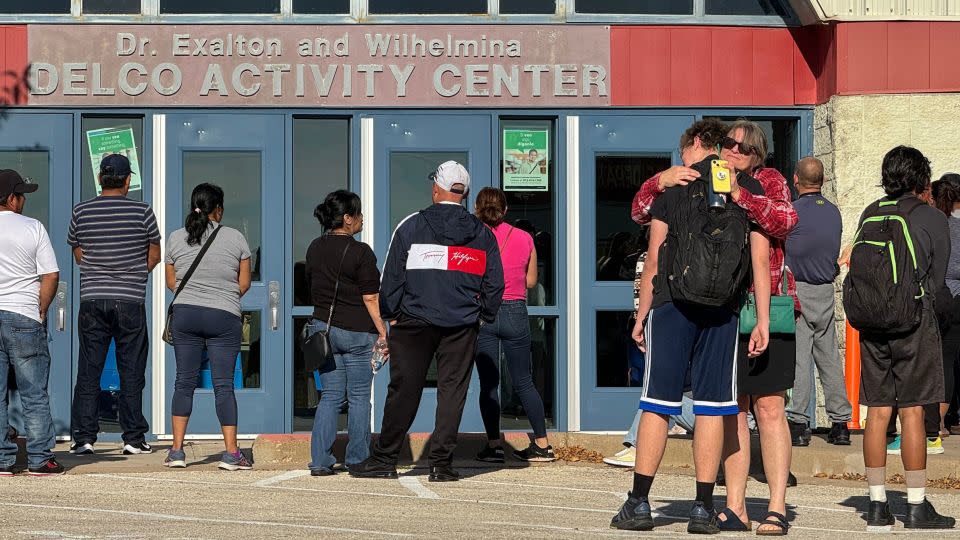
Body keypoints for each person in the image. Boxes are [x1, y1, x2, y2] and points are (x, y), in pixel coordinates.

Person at [631, 120, 800, 534]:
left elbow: (784, 223)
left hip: (764, 306)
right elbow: (639, 211)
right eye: (729, 143)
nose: (735, 149)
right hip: (725, 309)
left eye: (745, 146)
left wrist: (741, 195)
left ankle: (775, 506)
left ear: (759, 155)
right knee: (729, 410)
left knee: (770, 408)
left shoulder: (767, 183)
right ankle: (732, 505)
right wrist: (661, 178)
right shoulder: (693, 183)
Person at [350, 161, 504, 482]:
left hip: (414, 321)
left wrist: (392, 314)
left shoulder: (410, 226)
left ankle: (384, 459)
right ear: (464, 194)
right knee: (452, 392)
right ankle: (441, 465)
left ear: (436, 189)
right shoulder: (483, 234)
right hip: (462, 324)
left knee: (404, 389)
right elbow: (494, 284)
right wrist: (483, 316)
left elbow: (391, 279)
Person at [846, 146, 954, 530]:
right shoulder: (930, 217)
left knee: (877, 411)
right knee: (911, 410)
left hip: (871, 322)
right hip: (914, 321)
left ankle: (876, 505)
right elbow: (938, 280)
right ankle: (916, 505)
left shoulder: (871, 212)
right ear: (921, 178)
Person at [68, 154, 161, 456]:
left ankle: (84, 437)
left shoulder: (81, 211)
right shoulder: (143, 212)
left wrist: (99, 268)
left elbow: (79, 254)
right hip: (130, 300)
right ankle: (133, 438)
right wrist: (133, 271)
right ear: (127, 181)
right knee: (131, 370)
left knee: (89, 370)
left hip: (92, 299)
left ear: (99, 179)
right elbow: (154, 256)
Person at [163, 183, 253, 471]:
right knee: (223, 385)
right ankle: (231, 453)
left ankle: (176, 451)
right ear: (219, 209)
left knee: (183, 382)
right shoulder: (236, 237)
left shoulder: (176, 238)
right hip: (224, 317)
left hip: (185, 315)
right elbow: (244, 283)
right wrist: (222, 297)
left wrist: (194, 297)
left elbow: (170, 282)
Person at [303, 190, 388, 476]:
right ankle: (358, 459)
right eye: (359, 213)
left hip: (324, 330)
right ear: (347, 218)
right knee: (359, 396)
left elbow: (310, 284)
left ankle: (320, 460)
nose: (362, 218)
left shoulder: (314, 247)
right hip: (356, 332)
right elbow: (371, 297)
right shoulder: (361, 252)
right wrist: (383, 331)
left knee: (330, 396)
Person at [472, 187, 555, 463]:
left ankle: (494, 445)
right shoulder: (524, 237)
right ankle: (542, 445)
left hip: (484, 312)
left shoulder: (472, 236)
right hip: (516, 311)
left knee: (489, 384)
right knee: (523, 381)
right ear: (506, 210)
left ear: (476, 208)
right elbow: (531, 282)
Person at [785, 157, 852, 446]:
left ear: (796, 180)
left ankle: (799, 424)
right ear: (822, 181)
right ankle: (840, 424)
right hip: (825, 289)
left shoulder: (792, 212)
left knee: (800, 359)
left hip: (799, 290)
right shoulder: (834, 213)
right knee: (829, 360)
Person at [0, 170, 62, 476]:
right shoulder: (32, 227)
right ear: (11, 198)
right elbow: (50, 274)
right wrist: (41, 309)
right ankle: (39, 459)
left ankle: (3, 459)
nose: (24, 200)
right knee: (34, 392)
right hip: (23, 316)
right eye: (22, 194)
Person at [936, 174, 960, 435]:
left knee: (944, 359)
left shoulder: (939, 222)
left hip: (945, 297)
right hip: (955, 296)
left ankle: (939, 420)